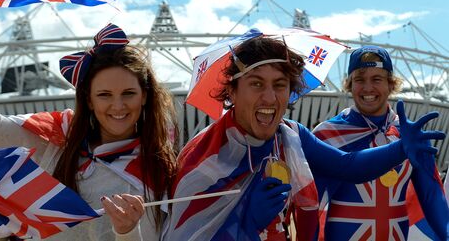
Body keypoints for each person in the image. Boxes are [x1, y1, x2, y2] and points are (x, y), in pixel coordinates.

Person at [162, 35, 445, 241]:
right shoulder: (203, 160)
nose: (270, 97)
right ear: (232, 92)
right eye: (256, 84)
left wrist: (399, 150)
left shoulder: (291, 135)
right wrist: (243, 223)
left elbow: (348, 167)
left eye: (280, 85)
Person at [0, 23, 178, 241]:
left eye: (128, 93)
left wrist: (127, 232)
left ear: (145, 96)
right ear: (88, 99)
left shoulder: (157, 167)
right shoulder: (58, 135)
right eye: (104, 95)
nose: (118, 105)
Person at [313, 46, 448, 240]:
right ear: (349, 85)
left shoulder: (410, 135)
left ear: (391, 84)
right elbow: (309, 204)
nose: (368, 88)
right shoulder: (328, 135)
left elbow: (431, 195)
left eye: (377, 79)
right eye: (359, 79)